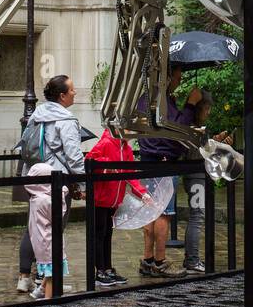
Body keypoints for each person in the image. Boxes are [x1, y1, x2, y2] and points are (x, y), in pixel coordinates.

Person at [137, 64, 202, 277]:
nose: (180, 80)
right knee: (164, 213)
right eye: (177, 76)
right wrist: (191, 105)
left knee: (149, 211)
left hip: (148, 160)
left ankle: (147, 259)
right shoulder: (163, 101)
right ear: (166, 78)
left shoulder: (146, 99)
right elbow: (175, 131)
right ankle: (160, 261)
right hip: (164, 162)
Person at [28, 75, 87, 295]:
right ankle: (48, 282)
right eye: (72, 90)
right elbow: (73, 155)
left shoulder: (38, 114)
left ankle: (35, 280)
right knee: (55, 232)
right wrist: (83, 183)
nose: (75, 93)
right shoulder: (66, 119)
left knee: (36, 230)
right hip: (58, 182)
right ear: (62, 96)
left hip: (36, 178)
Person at [86, 128, 149, 286]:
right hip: (100, 198)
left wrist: (142, 193)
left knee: (107, 234)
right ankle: (99, 271)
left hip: (113, 200)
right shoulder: (106, 143)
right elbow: (90, 161)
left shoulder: (126, 148)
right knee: (99, 234)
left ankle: (107, 268)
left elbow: (130, 173)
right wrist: (107, 165)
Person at [25, 161, 70, 299]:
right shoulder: (45, 200)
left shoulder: (35, 197)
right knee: (52, 275)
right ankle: (48, 301)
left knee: (50, 270)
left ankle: (39, 290)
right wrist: (61, 195)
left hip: (43, 241)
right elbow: (58, 213)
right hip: (49, 241)